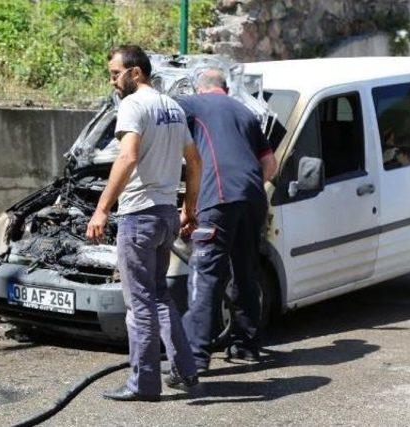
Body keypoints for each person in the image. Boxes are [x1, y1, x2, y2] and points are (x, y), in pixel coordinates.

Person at [86, 45, 202, 401]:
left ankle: (144, 383)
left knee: (139, 304)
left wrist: (103, 208)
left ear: (136, 73)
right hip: (166, 214)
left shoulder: (134, 105)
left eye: (116, 73)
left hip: (139, 216)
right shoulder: (172, 106)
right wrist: (189, 209)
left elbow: (128, 156)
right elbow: (194, 161)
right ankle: (185, 369)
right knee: (160, 295)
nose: (113, 81)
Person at [178, 68, 277, 373]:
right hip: (253, 199)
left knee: (205, 273)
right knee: (245, 271)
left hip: (218, 197)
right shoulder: (246, 112)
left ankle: (194, 356)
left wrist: (188, 205)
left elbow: (161, 124)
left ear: (199, 88)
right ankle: (247, 346)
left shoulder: (191, 104)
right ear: (224, 88)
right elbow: (269, 164)